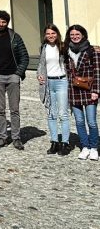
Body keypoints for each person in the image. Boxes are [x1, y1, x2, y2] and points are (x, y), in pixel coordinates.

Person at [0, 10, 29, 150]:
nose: (1, 24)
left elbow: (24, 56)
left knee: (14, 110)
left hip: (13, 77)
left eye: (3, 22)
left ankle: (16, 137)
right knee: (0, 110)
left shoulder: (15, 37)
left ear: (7, 22)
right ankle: (2, 136)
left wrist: (18, 73)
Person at [64, 25, 99, 161]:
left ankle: (94, 147)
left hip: (90, 91)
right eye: (72, 35)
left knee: (91, 122)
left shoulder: (92, 51)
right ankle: (85, 146)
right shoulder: (67, 51)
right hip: (74, 91)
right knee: (79, 121)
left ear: (83, 35)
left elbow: (97, 72)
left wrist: (96, 91)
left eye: (77, 34)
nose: (75, 37)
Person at [37, 24, 71, 155]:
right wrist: (39, 75)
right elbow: (41, 64)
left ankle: (65, 143)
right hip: (48, 82)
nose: (50, 36)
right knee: (51, 114)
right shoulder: (44, 47)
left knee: (63, 113)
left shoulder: (63, 46)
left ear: (57, 34)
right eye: (48, 34)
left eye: (53, 33)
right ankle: (54, 141)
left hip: (62, 81)